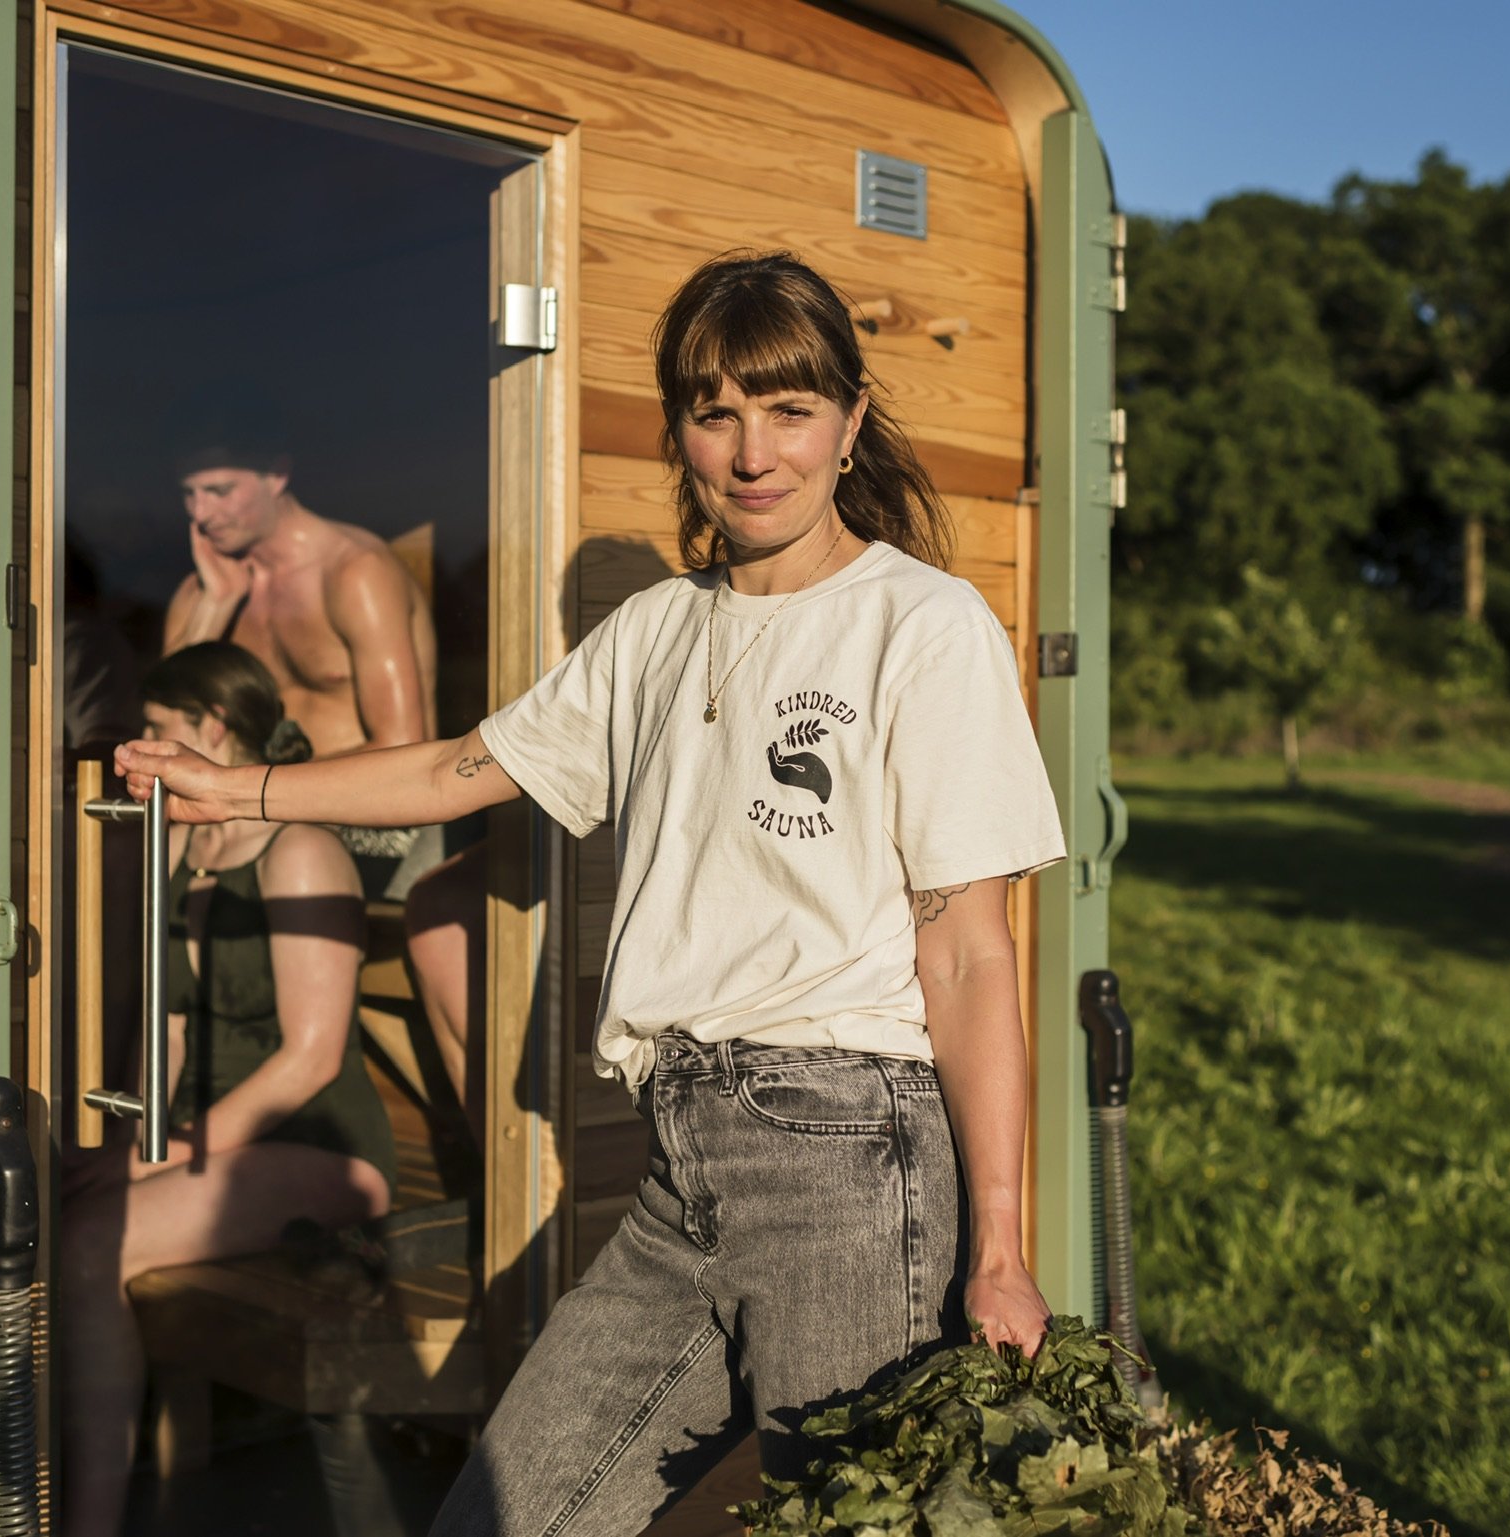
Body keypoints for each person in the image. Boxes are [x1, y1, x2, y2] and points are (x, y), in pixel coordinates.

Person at [117, 250, 1067, 1535]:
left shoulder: (921, 624)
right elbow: (459, 770)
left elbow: (969, 956)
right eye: (714, 411)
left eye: (788, 410)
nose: (751, 451)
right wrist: (244, 793)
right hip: (682, 1167)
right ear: (678, 432)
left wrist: (999, 1248)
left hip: (851, 1159)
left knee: (851, 1521)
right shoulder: (654, 632)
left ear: (848, 425)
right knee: (503, 1516)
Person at [60, 642, 398, 1537]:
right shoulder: (181, 843)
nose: (142, 746)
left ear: (212, 730)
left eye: (160, 731)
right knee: (70, 1203)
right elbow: (165, 1031)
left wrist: (160, 1159)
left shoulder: (300, 849)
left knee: (96, 1240)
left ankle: (85, 1523)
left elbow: (313, 1057)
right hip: (209, 1139)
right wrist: (129, 1146)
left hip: (325, 1147)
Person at [161, 432, 488, 1121]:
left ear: (277, 472)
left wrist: (263, 792)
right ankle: (171, 1110)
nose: (202, 513)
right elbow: (166, 727)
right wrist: (217, 607)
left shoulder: (354, 571)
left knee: (231, 861)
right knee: (150, 865)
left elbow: (404, 742)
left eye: (219, 489)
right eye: (189, 494)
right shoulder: (200, 591)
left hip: (380, 826)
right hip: (250, 823)